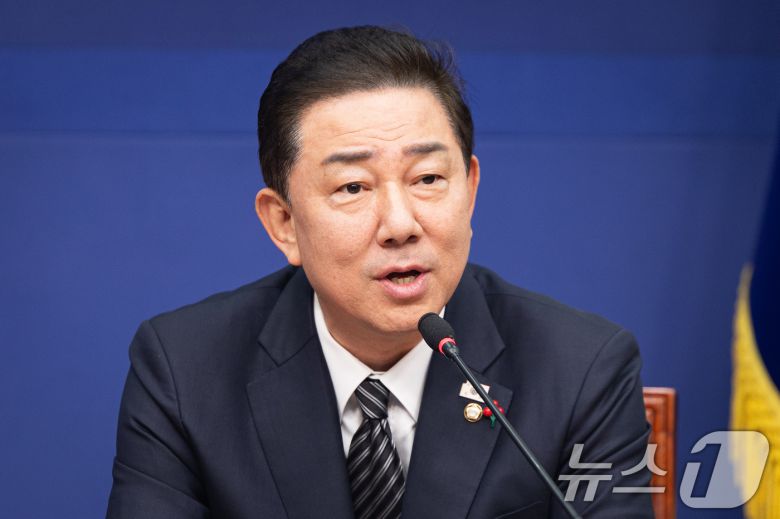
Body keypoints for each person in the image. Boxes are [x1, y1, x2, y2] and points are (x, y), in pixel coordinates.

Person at [107, 26, 653, 518]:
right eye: (353, 187)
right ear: (284, 223)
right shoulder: (184, 370)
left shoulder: (581, 370)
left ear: (470, 191)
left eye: (428, 178)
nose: (400, 224)